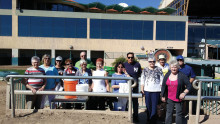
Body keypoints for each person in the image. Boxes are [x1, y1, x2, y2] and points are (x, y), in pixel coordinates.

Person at [161, 60, 191, 124]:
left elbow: (189, 85)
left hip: (178, 98)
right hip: (169, 97)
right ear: (170, 67)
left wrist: (184, 93)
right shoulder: (167, 74)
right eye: (172, 67)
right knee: (169, 113)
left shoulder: (182, 75)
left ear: (178, 67)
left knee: (178, 114)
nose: (173, 68)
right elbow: (163, 85)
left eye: (175, 67)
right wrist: (163, 95)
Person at [141, 56, 164, 123]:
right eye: (150, 61)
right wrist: (142, 89)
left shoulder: (159, 69)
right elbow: (142, 80)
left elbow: (162, 80)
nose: (152, 63)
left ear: (155, 62)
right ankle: (149, 119)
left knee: (154, 107)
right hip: (147, 90)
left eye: (153, 61)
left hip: (156, 91)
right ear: (148, 62)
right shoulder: (145, 70)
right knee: (148, 106)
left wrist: (161, 90)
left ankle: (153, 121)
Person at [124, 52, 142, 122]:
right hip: (126, 86)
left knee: (135, 102)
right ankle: (126, 116)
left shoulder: (137, 64)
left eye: (131, 57)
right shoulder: (124, 64)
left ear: (133, 58)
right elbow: (118, 70)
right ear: (127, 58)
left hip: (135, 86)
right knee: (126, 101)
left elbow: (140, 73)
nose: (130, 58)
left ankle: (135, 116)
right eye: (129, 57)